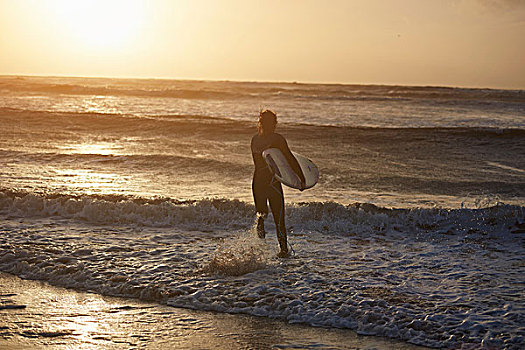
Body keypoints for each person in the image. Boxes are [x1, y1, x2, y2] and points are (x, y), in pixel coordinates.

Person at [251, 110, 305, 258]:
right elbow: (290, 160)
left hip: (257, 182)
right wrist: (301, 179)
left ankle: (259, 252)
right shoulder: (277, 139)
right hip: (272, 182)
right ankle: (283, 251)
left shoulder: (255, 139)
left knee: (261, 217)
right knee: (278, 219)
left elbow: (259, 164)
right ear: (273, 123)